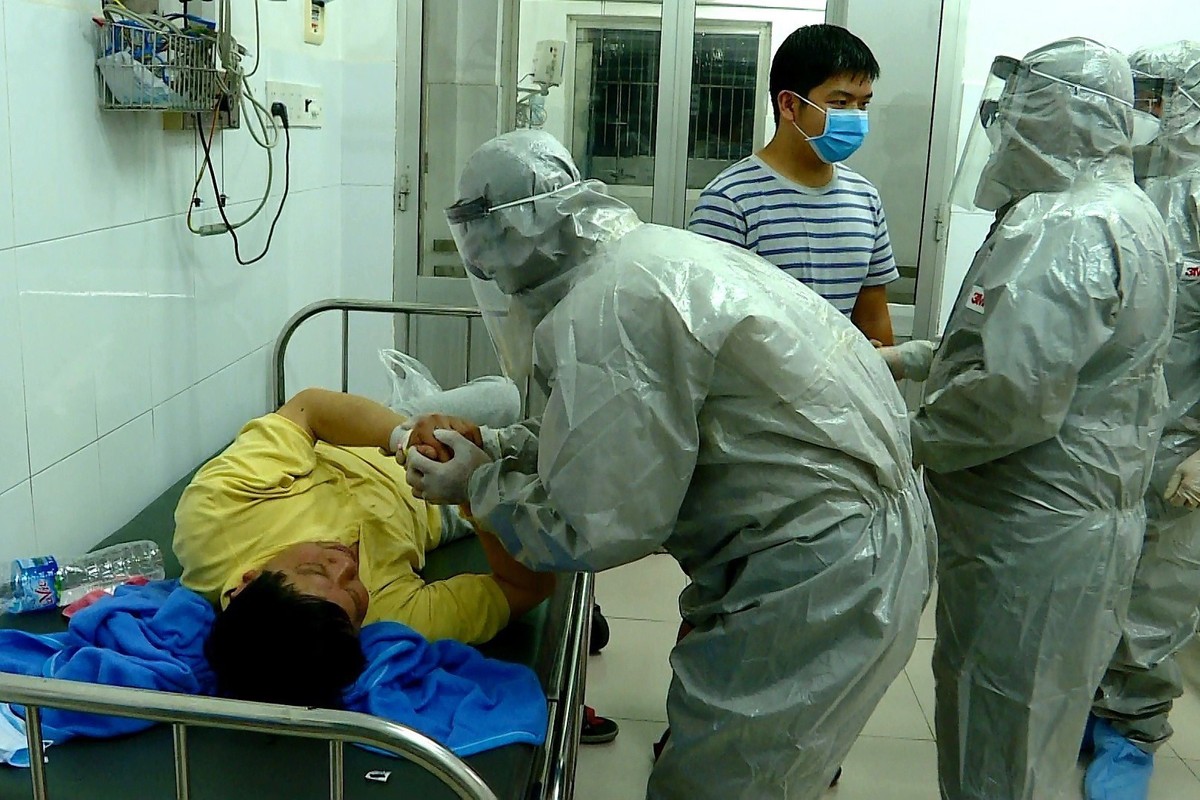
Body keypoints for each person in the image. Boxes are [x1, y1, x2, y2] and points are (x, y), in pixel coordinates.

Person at [400, 128, 933, 799]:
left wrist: (478, 485)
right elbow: (618, 427)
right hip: (842, 538)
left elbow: (600, 522)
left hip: (820, 569)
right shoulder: (646, 259)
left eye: (481, 245)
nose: (483, 269)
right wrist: (503, 445)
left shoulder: (608, 311)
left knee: (720, 785)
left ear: (514, 231)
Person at [909, 38, 1175, 800]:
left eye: (1021, 110)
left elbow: (1011, 395)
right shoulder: (1132, 212)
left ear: (1062, 113)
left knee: (1000, 735)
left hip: (1030, 530)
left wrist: (905, 438)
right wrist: (917, 359)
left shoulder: (1068, 226)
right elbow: (1059, 359)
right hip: (1080, 524)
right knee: (1039, 727)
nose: (1007, 130)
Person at [173, 388, 556, 708]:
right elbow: (528, 587)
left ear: (247, 581)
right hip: (439, 502)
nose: (346, 563)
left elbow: (308, 410)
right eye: (355, 595)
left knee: (503, 398)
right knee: (536, 464)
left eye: (315, 569)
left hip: (370, 440)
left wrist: (403, 438)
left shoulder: (215, 515)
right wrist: (475, 490)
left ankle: (411, 404)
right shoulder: (392, 617)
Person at [1086, 40, 1200, 800]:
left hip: (1179, 450)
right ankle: (1084, 705)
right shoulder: (1107, 192)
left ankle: (1130, 731)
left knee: (1158, 594)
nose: (1144, 113)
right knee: (1091, 584)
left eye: (1158, 97)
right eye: (1139, 96)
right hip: (1096, 445)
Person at [688, 23, 898, 345]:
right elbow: (706, 330)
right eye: (840, 103)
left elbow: (873, 318)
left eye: (863, 104)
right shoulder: (728, 202)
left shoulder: (865, 199)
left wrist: (878, 367)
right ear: (788, 104)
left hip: (843, 380)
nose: (856, 117)